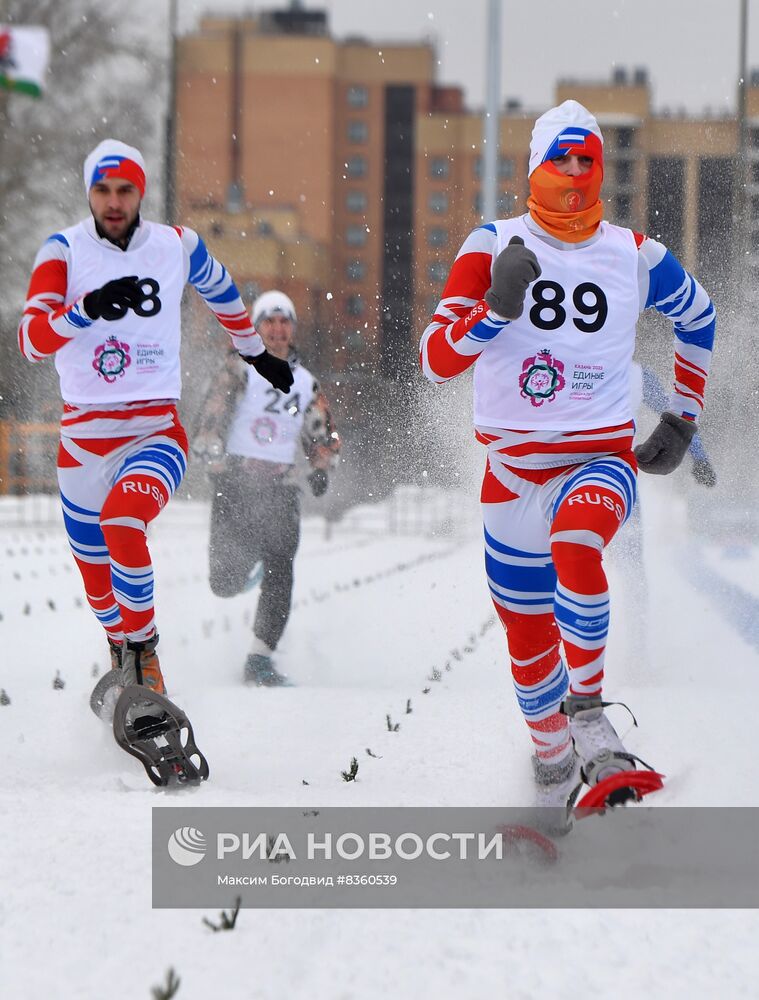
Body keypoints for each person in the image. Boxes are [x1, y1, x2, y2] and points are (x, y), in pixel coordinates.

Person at [419, 101, 716, 812]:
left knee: (578, 550)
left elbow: (697, 315)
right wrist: (492, 309)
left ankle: (589, 717)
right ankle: (552, 769)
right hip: (512, 473)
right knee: (526, 636)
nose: (577, 173)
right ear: (536, 168)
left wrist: (681, 415)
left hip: (598, 461)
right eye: (564, 159)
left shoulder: (634, 253)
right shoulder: (489, 244)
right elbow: (435, 361)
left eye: (589, 160)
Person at [18, 139, 294, 722]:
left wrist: (253, 352)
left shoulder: (175, 244)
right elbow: (30, 339)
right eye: (102, 190)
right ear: (89, 192)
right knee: (100, 592)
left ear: (141, 192)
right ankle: (124, 657)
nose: (113, 202)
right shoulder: (63, 251)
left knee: (123, 522)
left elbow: (221, 289)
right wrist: (85, 309)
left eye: (125, 190)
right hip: (83, 443)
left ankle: (146, 662)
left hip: (153, 431)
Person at [193, 289, 340, 686]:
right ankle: (248, 570)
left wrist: (321, 466)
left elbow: (321, 434)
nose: (277, 329)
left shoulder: (306, 382)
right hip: (236, 483)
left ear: (291, 329)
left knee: (282, 569)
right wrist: (211, 458)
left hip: (280, 488)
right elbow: (211, 417)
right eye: (268, 322)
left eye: (283, 321)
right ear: (255, 328)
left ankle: (260, 659)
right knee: (223, 584)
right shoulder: (238, 368)